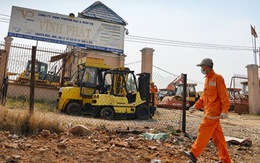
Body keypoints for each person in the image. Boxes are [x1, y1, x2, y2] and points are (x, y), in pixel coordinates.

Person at [182, 58, 231, 163]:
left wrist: (225, 110)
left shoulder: (218, 78)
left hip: (213, 113)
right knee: (218, 138)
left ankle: (194, 154)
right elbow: (204, 97)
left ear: (207, 66)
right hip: (208, 112)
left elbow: (224, 96)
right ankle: (225, 161)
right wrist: (195, 106)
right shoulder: (207, 80)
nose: (201, 68)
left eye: (202, 66)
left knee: (203, 130)